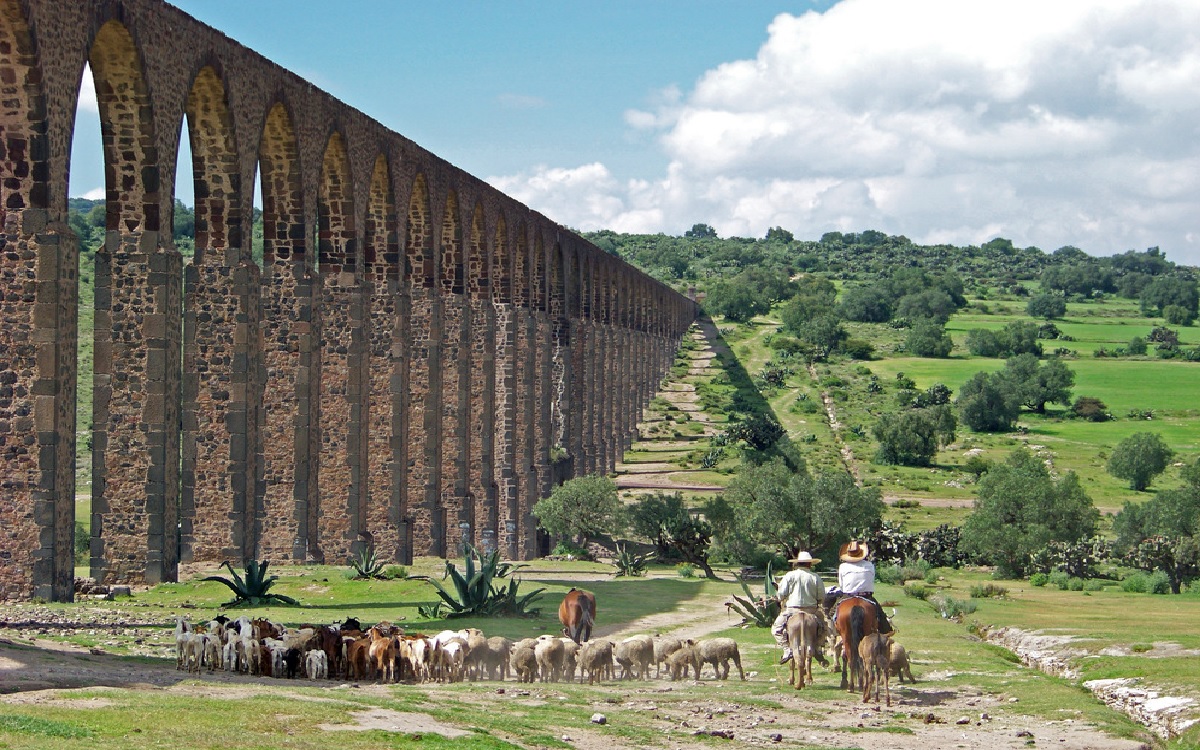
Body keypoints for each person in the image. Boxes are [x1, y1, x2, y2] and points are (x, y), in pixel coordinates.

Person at [771, 551, 828, 665]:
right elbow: (821, 596)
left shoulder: (789, 576)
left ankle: (787, 650)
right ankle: (817, 648)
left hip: (792, 610)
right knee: (825, 627)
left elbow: (781, 594)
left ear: (798, 563)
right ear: (809, 564)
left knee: (776, 629)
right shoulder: (815, 577)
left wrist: (777, 598)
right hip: (811, 610)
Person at [836, 540, 893, 634]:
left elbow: (841, 586)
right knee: (880, 615)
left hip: (848, 596)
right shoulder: (870, 565)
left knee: (832, 613)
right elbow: (871, 580)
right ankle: (886, 631)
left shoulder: (843, 566)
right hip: (866, 596)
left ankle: (834, 631)